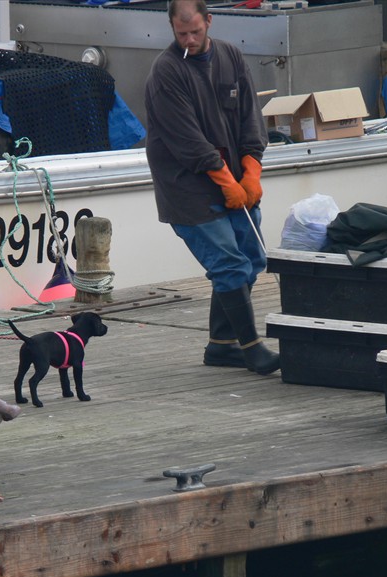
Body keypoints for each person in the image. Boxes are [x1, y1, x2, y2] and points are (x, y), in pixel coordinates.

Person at [144, 0, 279, 375]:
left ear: (209, 22)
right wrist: (225, 180)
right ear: (172, 28)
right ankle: (252, 348)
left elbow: (251, 119)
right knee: (229, 264)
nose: (189, 39)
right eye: (181, 33)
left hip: (235, 179)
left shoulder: (231, 56)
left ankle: (221, 346)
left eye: (196, 31)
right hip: (187, 187)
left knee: (252, 259)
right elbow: (187, 142)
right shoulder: (166, 72)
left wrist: (251, 172)